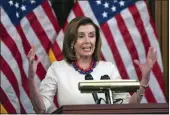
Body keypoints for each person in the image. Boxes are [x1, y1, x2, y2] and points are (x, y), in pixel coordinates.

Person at [27, 16, 157, 113]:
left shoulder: (108, 68)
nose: (87, 41)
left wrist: (145, 78)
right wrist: (32, 79)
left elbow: (128, 105)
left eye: (91, 35)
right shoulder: (58, 68)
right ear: (72, 42)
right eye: (81, 36)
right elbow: (41, 109)